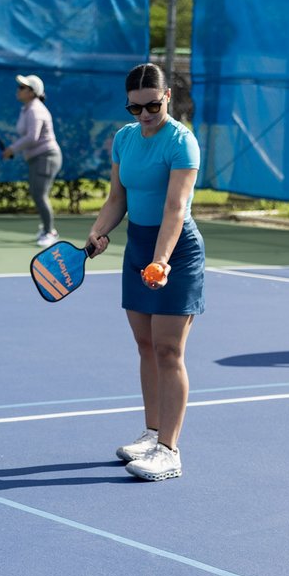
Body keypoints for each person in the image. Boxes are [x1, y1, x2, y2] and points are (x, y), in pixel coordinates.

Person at [84, 62, 204, 481]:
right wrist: (99, 232)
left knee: (170, 351)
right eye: (135, 109)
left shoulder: (182, 142)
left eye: (152, 105)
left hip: (175, 250)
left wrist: (162, 260)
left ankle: (169, 451)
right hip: (138, 246)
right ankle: (152, 433)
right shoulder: (124, 139)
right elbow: (118, 198)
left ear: (167, 96)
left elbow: (175, 208)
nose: (145, 115)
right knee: (146, 346)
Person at [2, 74, 63, 247]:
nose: (18, 90)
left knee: (39, 195)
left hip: (47, 157)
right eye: (19, 87)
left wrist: (12, 149)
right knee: (38, 194)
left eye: (22, 87)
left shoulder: (35, 110)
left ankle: (50, 231)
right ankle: (46, 227)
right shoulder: (27, 109)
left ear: (32, 92)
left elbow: (32, 137)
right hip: (38, 158)